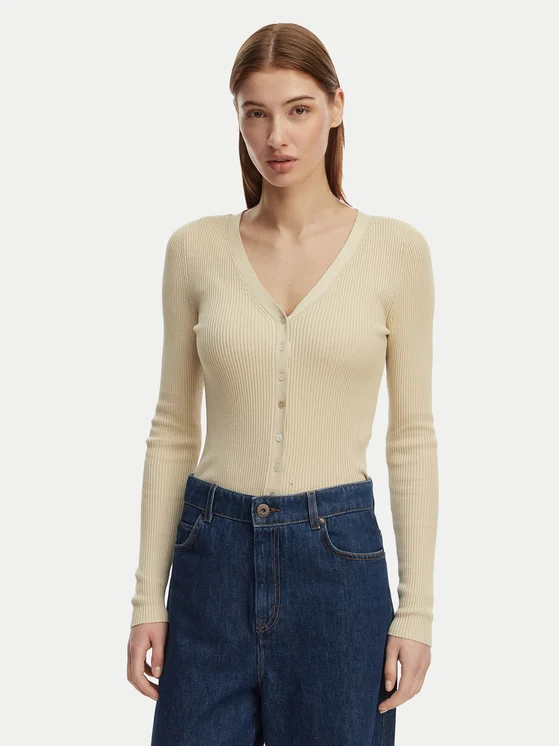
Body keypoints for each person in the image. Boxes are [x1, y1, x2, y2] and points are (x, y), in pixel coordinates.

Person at [127, 21, 439, 746]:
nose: (277, 137)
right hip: (210, 559)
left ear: (336, 107)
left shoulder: (396, 251)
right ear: (237, 119)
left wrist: (417, 611)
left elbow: (412, 437)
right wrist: (149, 599)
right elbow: (173, 428)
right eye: (256, 113)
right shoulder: (194, 250)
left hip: (339, 568)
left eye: (298, 109)